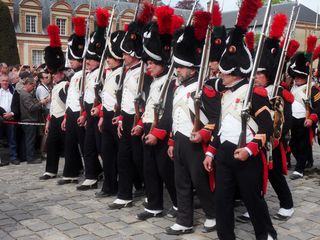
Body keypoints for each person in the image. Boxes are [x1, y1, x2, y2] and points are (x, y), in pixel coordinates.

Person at [203, 1, 277, 238]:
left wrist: (251, 149)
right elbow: (222, 126)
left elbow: (267, 125)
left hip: (246, 155)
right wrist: (211, 152)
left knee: (253, 200)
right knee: (222, 201)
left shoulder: (255, 93)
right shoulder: (225, 92)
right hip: (224, 153)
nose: (219, 74)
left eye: (223, 72)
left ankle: (265, 235)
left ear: (234, 72)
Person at [108, 3, 155, 209]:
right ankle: (124, 194)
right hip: (126, 118)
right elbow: (125, 98)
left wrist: (139, 121)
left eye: (126, 53)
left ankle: (150, 192)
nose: (123, 56)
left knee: (140, 160)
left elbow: (147, 100)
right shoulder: (129, 71)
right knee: (123, 158)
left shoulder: (143, 73)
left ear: (134, 54)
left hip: (139, 120)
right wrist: (120, 118)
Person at [135, 7, 178, 221]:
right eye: (147, 63)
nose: (148, 67)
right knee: (149, 170)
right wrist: (142, 124)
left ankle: (179, 203)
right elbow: (151, 107)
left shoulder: (171, 83)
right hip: (150, 129)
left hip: (162, 133)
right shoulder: (154, 82)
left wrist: (157, 133)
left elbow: (169, 112)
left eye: (151, 63)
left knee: (166, 172)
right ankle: (154, 205)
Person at [93, 30, 125, 197]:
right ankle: (109, 185)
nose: (107, 61)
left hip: (116, 117)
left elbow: (121, 99)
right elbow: (106, 98)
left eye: (110, 58)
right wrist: (101, 114)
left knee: (120, 157)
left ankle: (125, 185)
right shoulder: (110, 73)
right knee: (107, 154)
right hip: (107, 116)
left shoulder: (122, 74)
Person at [58, 16, 86, 185]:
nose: (70, 62)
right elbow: (71, 98)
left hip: (79, 113)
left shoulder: (84, 74)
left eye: (73, 59)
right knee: (70, 145)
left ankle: (94, 171)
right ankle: (70, 172)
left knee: (85, 146)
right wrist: (67, 116)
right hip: (71, 112)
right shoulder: (74, 75)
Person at [39, 24, 67, 180]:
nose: (52, 76)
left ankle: (76, 168)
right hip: (55, 117)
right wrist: (49, 119)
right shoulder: (56, 85)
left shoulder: (65, 84)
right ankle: (51, 170)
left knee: (70, 147)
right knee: (52, 144)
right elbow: (54, 104)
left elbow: (66, 104)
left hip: (64, 118)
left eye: (55, 73)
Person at [289, 49, 320, 180]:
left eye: (299, 78)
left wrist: (312, 119)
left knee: (303, 145)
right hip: (293, 120)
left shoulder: (313, 88)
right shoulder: (292, 87)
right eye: (295, 77)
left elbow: (318, 107)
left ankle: (300, 168)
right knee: (293, 145)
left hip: (305, 120)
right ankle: (307, 160)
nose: (296, 79)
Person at [19, 76, 49, 164]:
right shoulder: (25, 95)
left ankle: (26, 156)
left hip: (28, 120)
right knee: (30, 140)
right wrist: (41, 102)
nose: (34, 88)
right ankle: (30, 158)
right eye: (33, 86)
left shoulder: (25, 94)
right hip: (29, 120)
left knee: (27, 140)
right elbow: (31, 108)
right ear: (28, 84)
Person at [0, 74, 18, 166]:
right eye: (3, 80)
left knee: (12, 139)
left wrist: (11, 113)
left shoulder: (14, 92)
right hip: (0, 119)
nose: (5, 82)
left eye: (6, 81)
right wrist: (3, 114)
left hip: (11, 118)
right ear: (0, 82)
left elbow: (16, 106)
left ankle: (13, 157)